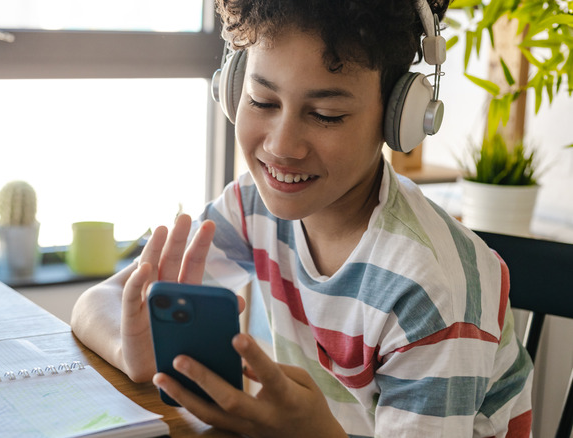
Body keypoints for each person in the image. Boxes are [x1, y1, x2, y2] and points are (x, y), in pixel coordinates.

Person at [71, 0, 534, 436]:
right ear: (232, 87)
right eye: (262, 101)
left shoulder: (428, 289)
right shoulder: (253, 208)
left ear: (399, 117)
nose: (281, 146)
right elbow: (95, 304)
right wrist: (133, 351)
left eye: (326, 114)